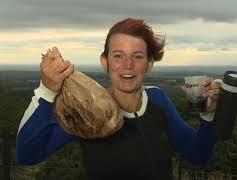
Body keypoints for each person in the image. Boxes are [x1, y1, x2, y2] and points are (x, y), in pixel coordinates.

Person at [16, 18, 221, 180]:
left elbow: (198, 154)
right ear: (105, 62)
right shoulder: (87, 108)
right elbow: (27, 155)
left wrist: (208, 115)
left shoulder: (158, 99)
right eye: (118, 56)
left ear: (149, 64)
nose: (128, 65)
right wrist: (46, 91)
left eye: (138, 56)